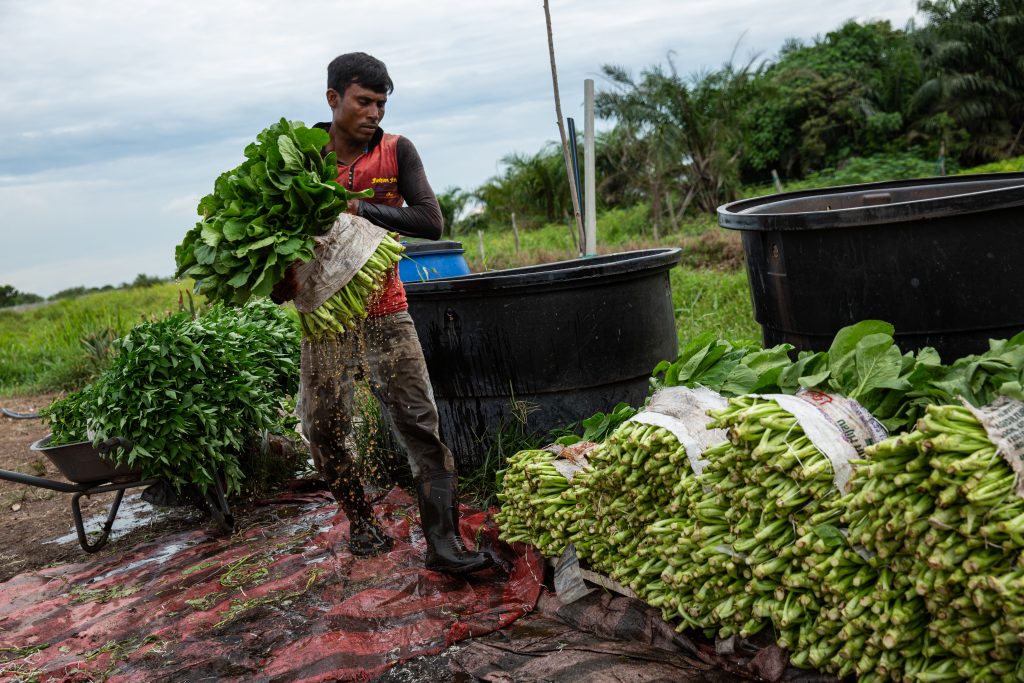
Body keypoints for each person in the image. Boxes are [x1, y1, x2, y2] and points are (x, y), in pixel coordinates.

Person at [273, 52, 491, 574]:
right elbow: (277, 236)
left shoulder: (396, 151)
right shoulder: (303, 157)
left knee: (421, 427)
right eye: (364, 101)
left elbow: (429, 220)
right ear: (333, 99)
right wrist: (281, 281)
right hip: (325, 320)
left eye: (381, 103)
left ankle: (443, 544)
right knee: (324, 431)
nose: (374, 112)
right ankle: (361, 519)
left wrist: (359, 206)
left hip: (388, 312)